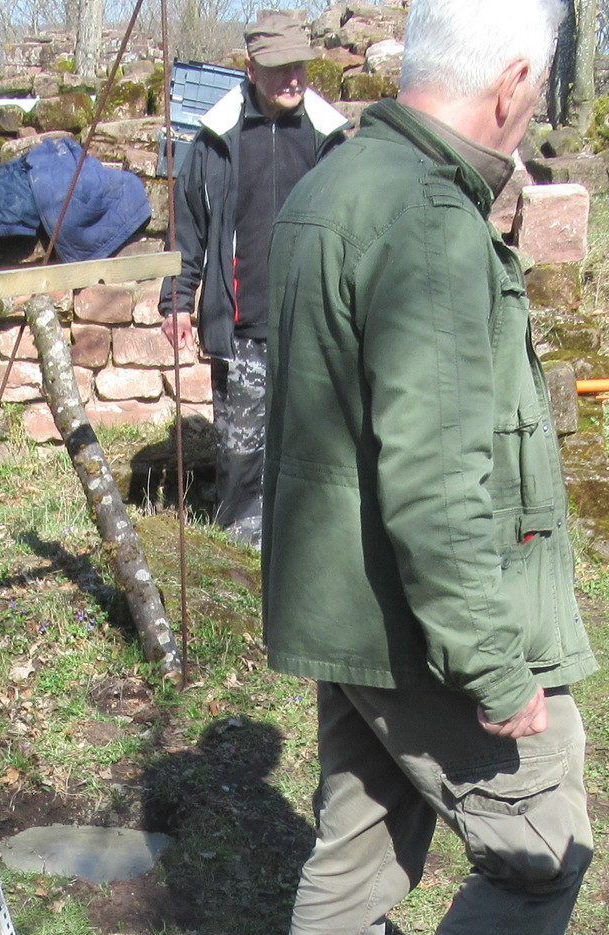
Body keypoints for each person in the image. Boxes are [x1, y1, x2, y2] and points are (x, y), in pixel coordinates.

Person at [257, 0, 587, 935]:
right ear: (513, 83)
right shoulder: (431, 222)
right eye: (537, 93)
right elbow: (438, 482)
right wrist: (495, 665)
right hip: (420, 623)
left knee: (359, 848)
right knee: (542, 851)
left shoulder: (335, 184)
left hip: (347, 609)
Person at [162, 11, 349, 547]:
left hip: (314, 326)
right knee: (242, 456)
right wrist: (177, 301)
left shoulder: (331, 139)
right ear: (250, 69)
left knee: (314, 450)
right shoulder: (216, 139)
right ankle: (240, 560)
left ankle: (308, 552)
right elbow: (187, 226)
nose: (292, 78)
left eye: (299, 66)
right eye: (279, 68)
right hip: (242, 328)